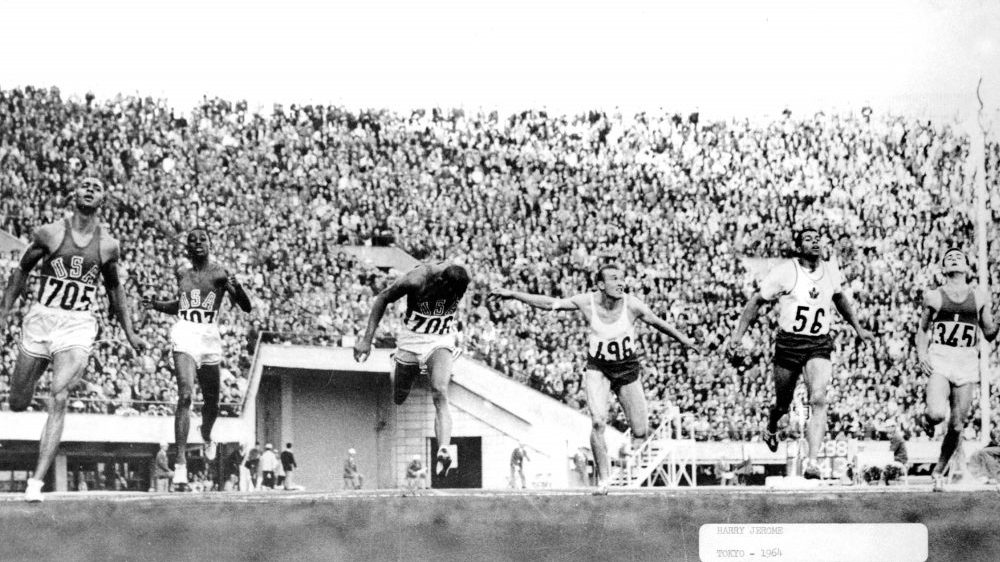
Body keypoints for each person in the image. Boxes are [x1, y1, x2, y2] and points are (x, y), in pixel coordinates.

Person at [491, 264, 699, 494]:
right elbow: (550, 303)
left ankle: (621, 460)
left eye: (622, 278)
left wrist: (684, 340)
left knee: (640, 431)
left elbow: (659, 323)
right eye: (613, 279)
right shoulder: (586, 301)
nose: (620, 283)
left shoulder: (632, 305)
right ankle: (604, 480)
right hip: (598, 368)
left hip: (626, 368)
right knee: (598, 422)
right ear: (600, 285)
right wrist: (514, 295)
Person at [0, 177, 146, 502]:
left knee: (60, 396)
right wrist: (3, 312)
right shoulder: (49, 233)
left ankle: (36, 483)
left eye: (97, 185)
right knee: (18, 403)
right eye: (86, 185)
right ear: (74, 194)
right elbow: (21, 271)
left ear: (103, 199)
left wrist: (130, 332)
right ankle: (37, 373)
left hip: (77, 324)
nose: (91, 188)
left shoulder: (108, 245)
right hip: (42, 320)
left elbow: (114, 291)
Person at [729, 227, 873, 479]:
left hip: (818, 343)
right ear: (798, 246)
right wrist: (738, 335)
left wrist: (858, 328)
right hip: (789, 343)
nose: (815, 241)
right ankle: (772, 426)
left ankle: (813, 462)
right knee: (782, 406)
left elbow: (840, 300)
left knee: (818, 398)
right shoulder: (785, 272)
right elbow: (756, 302)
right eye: (808, 238)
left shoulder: (830, 270)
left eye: (817, 238)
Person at [142, 229, 253, 490]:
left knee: (212, 402)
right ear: (187, 248)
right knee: (185, 395)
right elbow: (181, 307)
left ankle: (206, 434)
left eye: (202, 239)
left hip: (209, 336)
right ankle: (180, 464)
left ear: (211, 244)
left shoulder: (220, 273)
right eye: (192, 240)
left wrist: (235, 287)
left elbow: (246, 307)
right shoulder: (182, 273)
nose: (197, 243)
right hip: (185, 333)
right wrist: (156, 304)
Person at [354, 263, 470, 474]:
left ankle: (443, 448)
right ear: (440, 281)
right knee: (399, 396)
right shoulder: (417, 279)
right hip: (412, 340)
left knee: (440, 391)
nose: (450, 296)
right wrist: (366, 340)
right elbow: (382, 298)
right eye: (448, 291)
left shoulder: (460, 280)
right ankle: (399, 364)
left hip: (439, 339)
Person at [915, 248, 997, 491]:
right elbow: (922, 329)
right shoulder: (933, 296)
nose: (953, 258)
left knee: (957, 425)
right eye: (948, 257)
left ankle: (938, 470)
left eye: (958, 257)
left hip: (966, 360)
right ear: (943, 268)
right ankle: (926, 418)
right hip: (940, 357)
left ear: (966, 267)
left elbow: (989, 333)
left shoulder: (980, 297)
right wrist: (921, 353)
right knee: (937, 414)